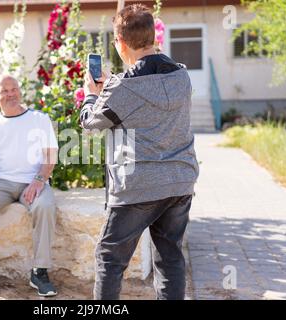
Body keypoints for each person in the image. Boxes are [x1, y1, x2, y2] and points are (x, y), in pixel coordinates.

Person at [80, 4, 199, 300]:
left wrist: (91, 96)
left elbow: (91, 123)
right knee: (170, 258)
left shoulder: (122, 88)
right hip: (179, 182)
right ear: (152, 36)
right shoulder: (181, 77)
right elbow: (147, 96)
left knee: (110, 258)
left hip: (138, 186)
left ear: (120, 42)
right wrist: (110, 89)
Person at [0, 74, 59, 296]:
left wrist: (38, 180)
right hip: (2, 183)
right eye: (4, 91)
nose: (10, 94)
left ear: (20, 91)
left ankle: (40, 271)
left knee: (45, 206)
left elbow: (50, 157)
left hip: (34, 181)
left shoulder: (40, 119)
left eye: (14, 89)